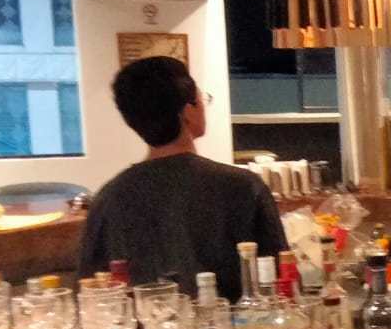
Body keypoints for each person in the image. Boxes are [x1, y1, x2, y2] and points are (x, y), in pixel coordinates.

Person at [78, 56, 286, 301]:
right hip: (232, 324)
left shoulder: (108, 197)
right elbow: (281, 280)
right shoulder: (242, 186)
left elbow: (91, 292)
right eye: (202, 99)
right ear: (188, 112)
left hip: (142, 325)